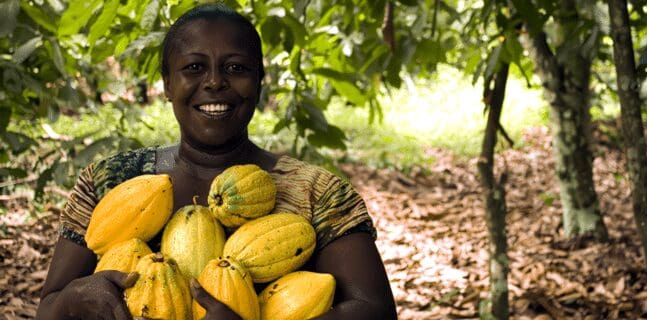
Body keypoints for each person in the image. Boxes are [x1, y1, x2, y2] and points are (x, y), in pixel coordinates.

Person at [36, 4, 397, 320]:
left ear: (259, 81)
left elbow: (374, 309)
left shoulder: (319, 193)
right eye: (194, 67)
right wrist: (73, 300)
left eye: (236, 68)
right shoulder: (108, 182)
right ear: (166, 83)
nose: (214, 82)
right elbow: (49, 307)